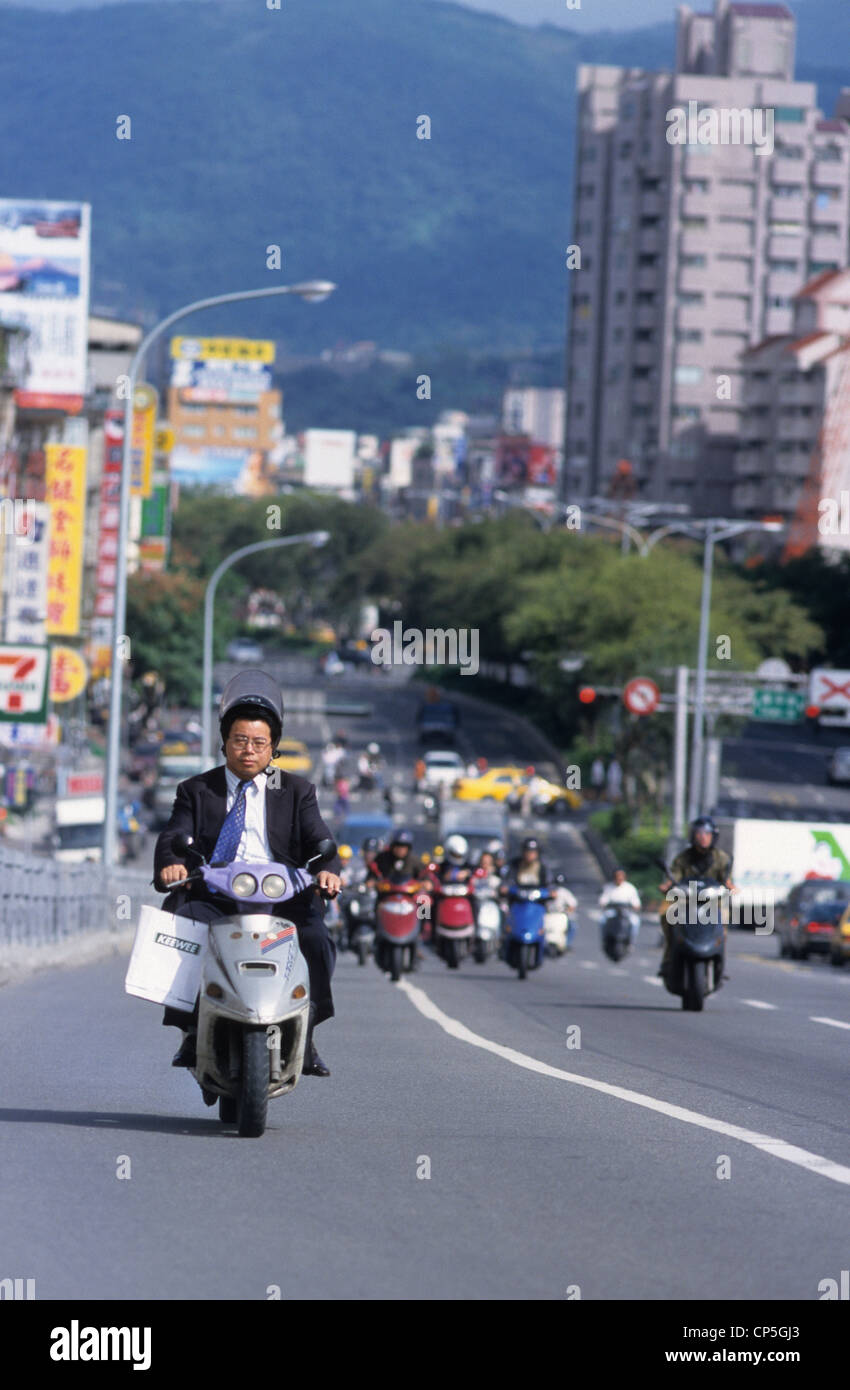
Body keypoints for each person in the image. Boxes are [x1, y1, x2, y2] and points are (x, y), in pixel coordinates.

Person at [153, 670, 342, 1079]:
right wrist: (172, 863)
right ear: (224, 742)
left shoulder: (296, 791)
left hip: (282, 895)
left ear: (273, 748)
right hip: (214, 892)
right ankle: (189, 1028)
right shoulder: (195, 790)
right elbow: (174, 836)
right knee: (185, 926)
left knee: (315, 936)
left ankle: (306, 1033)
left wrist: (327, 870)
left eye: (259, 743)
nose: (248, 751)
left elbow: (320, 840)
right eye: (240, 740)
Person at [657, 816, 734, 977]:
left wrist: (729, 885)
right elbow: (674, 878)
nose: (703, 837)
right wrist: (667, 886)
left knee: (724, 921)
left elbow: (727, 879)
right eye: (699, 833)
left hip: (713, 903)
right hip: (686, 901)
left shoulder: (722, 858)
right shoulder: (682, 858)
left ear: (713, 836)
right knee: (667, 917)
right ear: (693, 836)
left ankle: (720, 960)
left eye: (707, 833)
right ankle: (668, 956)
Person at [598, 867, 642, 946]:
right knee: (602, 920)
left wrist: (636, 906)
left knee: (635, 922)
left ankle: (631, 941)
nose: (619, 878)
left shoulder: (630, 888)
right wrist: (603, 903)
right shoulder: (608, 887)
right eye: (617, 876)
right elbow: (603, 900)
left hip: (626, 911)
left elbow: (636, 901)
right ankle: (604, 939)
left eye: (621, 876)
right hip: (612, 911)